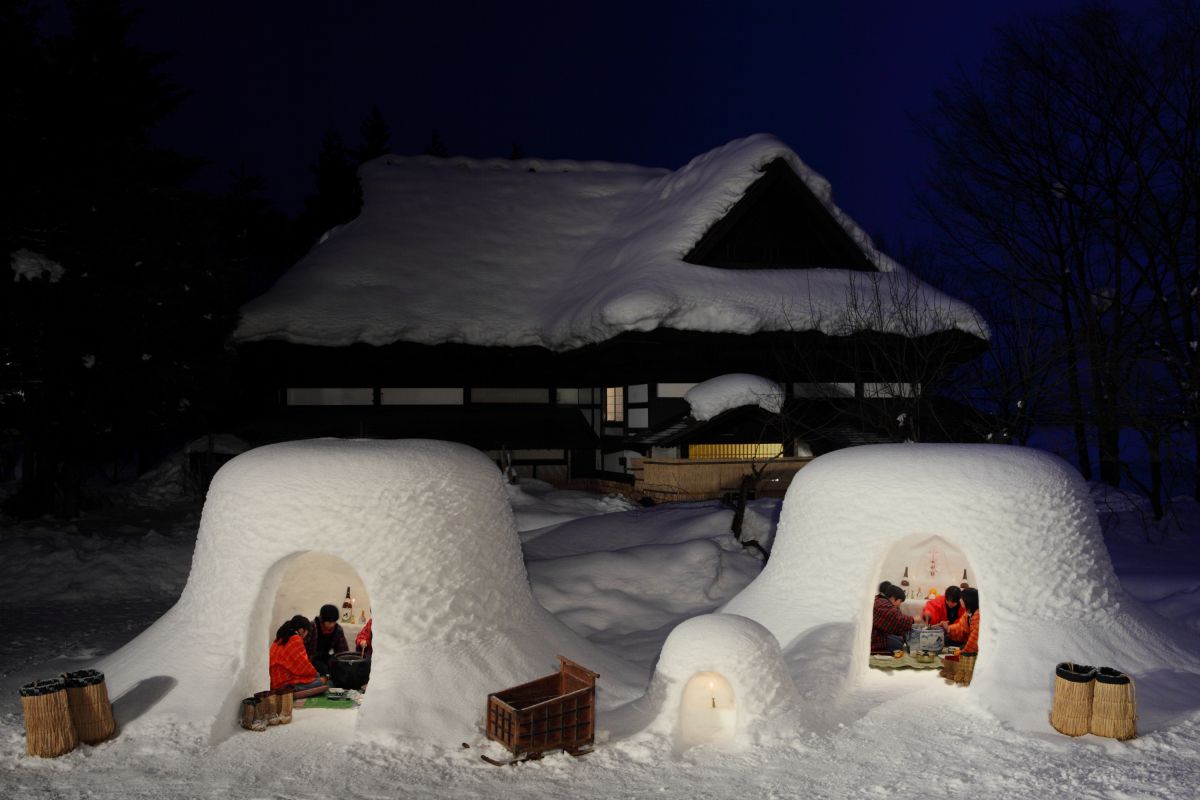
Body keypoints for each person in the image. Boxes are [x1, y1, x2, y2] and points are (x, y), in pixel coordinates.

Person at [269, 615, 328, 697]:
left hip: (275, 681)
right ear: (301, 629)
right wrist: (316, 674)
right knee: (320, 681)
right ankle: (291, 690)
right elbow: (303, 665)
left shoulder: (280, 638)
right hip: (283, 685)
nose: (307, 634)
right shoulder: (295, 639)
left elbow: (295, 666)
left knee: (317, 678)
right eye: (307, 631)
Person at [871, 583, 915, 654]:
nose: (899, 604)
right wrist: (913, 620)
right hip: (874, 639)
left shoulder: (881, 601)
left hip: (878, 634)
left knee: (900, 640)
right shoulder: (882, 604)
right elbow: (897, 620)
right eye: (900, 601)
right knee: (898, 644)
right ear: (894, 598)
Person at [307, 604, 349, 676]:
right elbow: (304, 648)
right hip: (311, 658)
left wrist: (344, 663)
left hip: (325, 656)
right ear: (322, 620)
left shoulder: (337, 629)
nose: (332, 625)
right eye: (329, 622)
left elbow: (342, 650)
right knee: (324, 670)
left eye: (334, 622)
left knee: (335, 667)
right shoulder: (312, 627)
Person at [940, 587, 980, 654]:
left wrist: (963, 652)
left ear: (968, 600)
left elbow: (975, 640)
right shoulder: (968, 613)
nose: (960, 600)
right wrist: (948, 629)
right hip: (966, 643)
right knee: (945, 640)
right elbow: (960, 627)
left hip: (975, 649)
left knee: (950, 651)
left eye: (962, 599)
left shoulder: (978, 615)